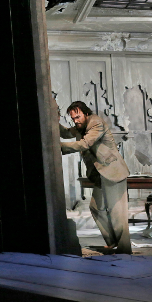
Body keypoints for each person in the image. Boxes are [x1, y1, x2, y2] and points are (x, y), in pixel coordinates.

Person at [59, 101, 132, 254]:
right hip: (100, 174)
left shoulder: (95, 123)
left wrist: (59, 146)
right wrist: (54, 121)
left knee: (117, 212)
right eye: (73, 119)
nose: (76, 121)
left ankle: (125, 249)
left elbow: (85, 144)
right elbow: (66, 132)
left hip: (112, 172)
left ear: (86, 114)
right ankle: (112, 241)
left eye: (78, 117)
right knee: (96, 207)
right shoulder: (81, 126)